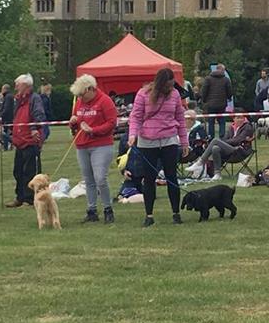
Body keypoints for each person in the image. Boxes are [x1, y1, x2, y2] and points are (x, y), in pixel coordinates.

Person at [127, 67, 189, 227]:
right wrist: (132, 135)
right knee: (149, 178)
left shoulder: (175, 94)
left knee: (171, 177)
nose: (170, 88)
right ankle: (149, 215)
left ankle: (176, 213)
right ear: (160, 83)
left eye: (172, 84)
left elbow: (180, 119)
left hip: (169, 140)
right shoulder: (143, 94)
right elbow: (136, 116)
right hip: (147, 141)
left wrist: (184, 142)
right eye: (168, 85)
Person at [69, 74, 119, 224]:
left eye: (82, 95)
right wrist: (73, 122)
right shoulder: (79, 103)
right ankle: (91, 210)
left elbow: (111, 123)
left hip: (101, 144)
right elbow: (75, 121)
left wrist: (93, 130)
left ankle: (108, 209)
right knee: (88, 179)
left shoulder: (105, 101)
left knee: (100, 178)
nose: (80, 98)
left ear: (90, 89)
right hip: (82, 145)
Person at [5, 74, 46, 208]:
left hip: (30, 141)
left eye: (18, 84)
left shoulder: (35, 99)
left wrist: (34, 128)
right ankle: (20, 197)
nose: (16, 86)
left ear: (26, 86)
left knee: (30, 171)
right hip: (20, 141)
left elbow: (39, 116)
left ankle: (29, 199)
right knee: (18, 171)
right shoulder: (19, 100)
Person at [196, 113, 254, 179]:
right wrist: (224, 143)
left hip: (240, 150)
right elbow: (225, 138)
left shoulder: (247, 127)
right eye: (238, 118)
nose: (240, 120)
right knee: (215, 148)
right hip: (230, 151)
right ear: (234, 119)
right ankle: (217, 174)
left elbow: (238, 140)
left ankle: (200, 162)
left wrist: (223, 143)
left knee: (216, 141)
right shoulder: (231, 127)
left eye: (242, 118)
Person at [199, 64, 232, 139]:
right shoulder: (226, 79)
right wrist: (229, 98)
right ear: (222, 70)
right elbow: (229, 91)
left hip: (210, 104)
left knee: (211, 122)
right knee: (222, 121)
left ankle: (211, 137)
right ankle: (222, 137)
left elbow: (204, 90)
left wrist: (204, 100)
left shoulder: (208, 79)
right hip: (222, 104)